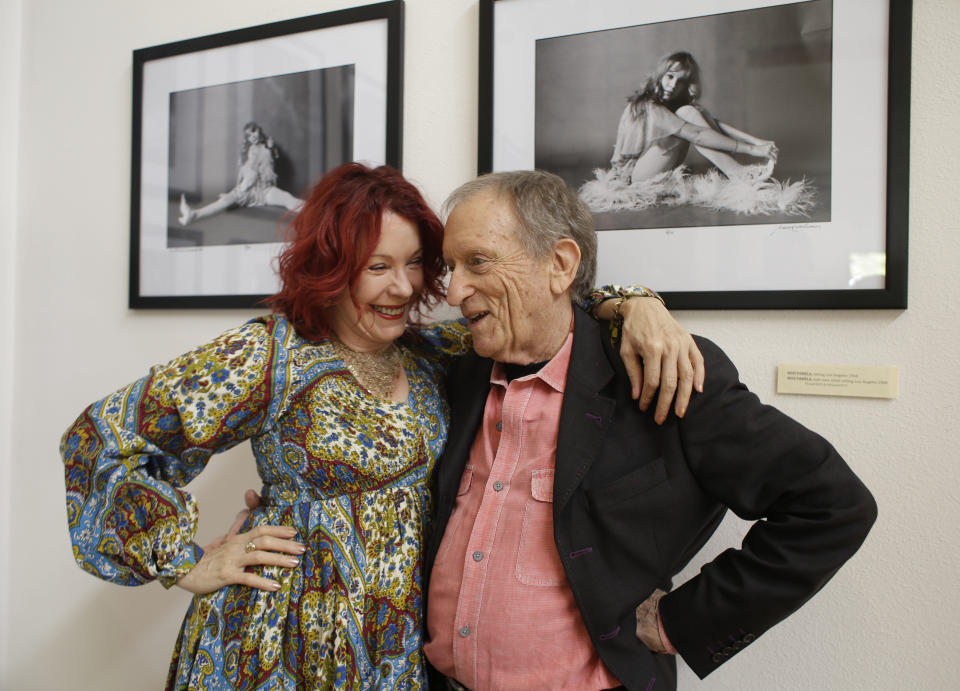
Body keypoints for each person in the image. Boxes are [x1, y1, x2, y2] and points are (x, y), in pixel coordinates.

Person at [61, 162, 703, 690]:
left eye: (416, 263)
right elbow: (101, 439)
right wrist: (185, 560)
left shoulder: (436, 354)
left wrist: (636, 302)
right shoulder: (269, 356)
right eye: (376, 267)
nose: (403, 287)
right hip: (280, 643)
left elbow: (542, 300)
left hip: (397, 647)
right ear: (331, 266)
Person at [423, 169, 877, 690]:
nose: (454, 290)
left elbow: (834, 505)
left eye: (477, 261)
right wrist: (629, 298)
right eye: (450, 266)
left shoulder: (661, 374)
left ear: (560, 264)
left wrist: (681, 621)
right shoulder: (458, 369)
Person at [579, 51, 813, 215]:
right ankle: (738, 173)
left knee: (692, 111)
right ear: (660, 74)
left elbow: (714, 125)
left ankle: (737, 172)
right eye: (669, 76)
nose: (672, 85)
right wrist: (751, 150)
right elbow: (697, 134)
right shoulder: (648, 104)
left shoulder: (673, 105)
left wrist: (756, 141)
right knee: (690, 119)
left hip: (649, 165)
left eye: (680, 81)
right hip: (631, 176)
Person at [178, 121, 303, 226]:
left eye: (254, 132)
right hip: (247, 190)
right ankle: (193, 214)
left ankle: (316, 211)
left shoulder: (268, 146)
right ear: (247, 139)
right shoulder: (250, 150)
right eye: (249, 136)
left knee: (287, 198)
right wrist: (235, 191)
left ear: (259, 130)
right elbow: (245, 174)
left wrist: (269, 148)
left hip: (265, 190)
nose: (252, 136)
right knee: (224, 201)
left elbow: (270, 163)